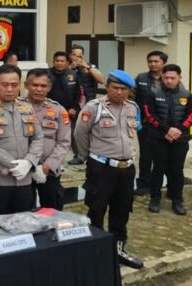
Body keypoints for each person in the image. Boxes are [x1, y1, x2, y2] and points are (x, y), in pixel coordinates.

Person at [74, 70, 143, 269]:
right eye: (115, 88)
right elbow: (80, 135)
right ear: (107, 87)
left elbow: (133, 133)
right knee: (97, 209)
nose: (119, 92)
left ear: (129, 91)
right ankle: (95, 251)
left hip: (126, 169)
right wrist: (89, 157)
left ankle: (118, 250)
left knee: (122, 211)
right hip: (101, 168)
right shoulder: (93, 107)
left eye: (124, 89)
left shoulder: (133, 107)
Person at [0, 64, 43, 215]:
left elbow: (38, 137)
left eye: (14, 85)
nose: (10, 89)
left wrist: (28, 162)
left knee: (23, 222)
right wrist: (13, 164)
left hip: (24, 180)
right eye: (5, 85)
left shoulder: (26, 107)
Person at [143, 64, 192, 215]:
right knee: (158, 169)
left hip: (180, 138)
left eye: (172, 78)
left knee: (177, 170)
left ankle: (177, 200)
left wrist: (178, 130)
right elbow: (149, 115)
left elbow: (191, 115)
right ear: (162, 78)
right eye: (166, 78)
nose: (169, 80)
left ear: (179, 78)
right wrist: (167, 130)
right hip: (158, 137)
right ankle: (155, 199)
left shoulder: (187, 94)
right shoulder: (153, 93)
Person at [25, 68, 72, 210]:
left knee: (52, 211)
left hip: (49, 169)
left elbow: (64, 142)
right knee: (24, 211)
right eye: (35, 85)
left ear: (49, 87)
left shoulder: (58, 110)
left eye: (43, 86)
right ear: (26, 85)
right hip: (23, 169)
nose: (39, 89)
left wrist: (47, 166)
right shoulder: (17, 107)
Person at [133, 50, 168, 196]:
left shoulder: (168, 78)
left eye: (156, 61)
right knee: (145, 155)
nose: (152, 64)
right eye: (150, 61)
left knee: (162, 155)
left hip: (163, 124)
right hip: (145, 123)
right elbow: (132, 97)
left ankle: (159, 184)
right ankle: (143, 184)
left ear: (163, 63)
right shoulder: (141, 78)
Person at [47, 51, 82, 165]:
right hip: (51, 111)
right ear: (53, 61)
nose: (59, 63)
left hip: (70, 110)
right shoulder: (47, 74)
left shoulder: (73, 74)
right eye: (57, 61)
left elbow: (78, 93)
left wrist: (74, 108)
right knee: (52, 134)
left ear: (66, 62)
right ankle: (51, 158)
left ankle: (79, 156)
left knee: (73, 134)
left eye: (62, 61)